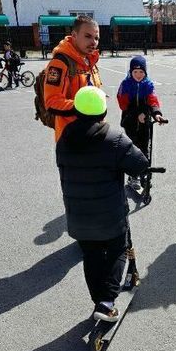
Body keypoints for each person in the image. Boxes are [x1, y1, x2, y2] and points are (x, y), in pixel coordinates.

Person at [56, 86, 149, 321]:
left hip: (78, 214)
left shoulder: (65, 138)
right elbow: (140, 164)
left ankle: (98, 299)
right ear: (103, 112)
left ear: (76, 110)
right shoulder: (114, 139)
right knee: (117, 249)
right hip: (109, 215)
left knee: (92, 255)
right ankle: (107, 302)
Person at [43, 15, 102, 142]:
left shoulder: (90, 59)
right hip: (71, 138)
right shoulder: (60, 63)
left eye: (96, 38)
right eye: (88, 36)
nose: (93, 42)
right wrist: (83, 108)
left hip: (92, 132)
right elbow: (52, 101)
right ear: (74, 35)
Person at [116, 55, 165, 190]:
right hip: (130, 122)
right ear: (130, 72)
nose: (138, 75)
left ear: (145, 72)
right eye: (135, 72)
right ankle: (134, 176)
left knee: (145, 147)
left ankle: (144, 173)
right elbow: (123, 104)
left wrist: (157, 114)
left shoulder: (148, 85)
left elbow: (153, 100)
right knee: (133, 148)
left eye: (141, 72)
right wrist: (138, 114)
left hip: (145, 123)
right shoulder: (125, 85)